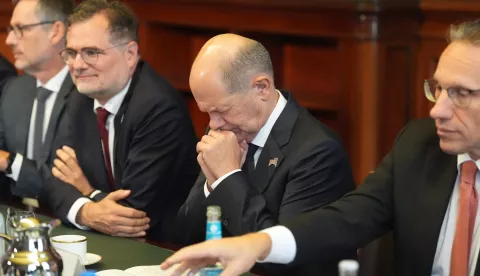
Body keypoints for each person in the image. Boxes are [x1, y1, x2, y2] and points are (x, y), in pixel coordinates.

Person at [162, 19, 480, 276]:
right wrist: (258, 243)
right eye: (438, 89)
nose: (437, 109)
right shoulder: (419, 144)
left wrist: (230, 181)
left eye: (461, 93)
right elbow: (344, 218)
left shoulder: (316, 148)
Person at [174, 33, 356, 275]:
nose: (214, 124)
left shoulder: (317, 152)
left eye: (222, 110)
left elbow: (280, 259)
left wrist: (227, 178)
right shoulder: (226, 130)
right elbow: (186, 235)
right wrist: (212, 182)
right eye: (207, 112)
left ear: (262, 88)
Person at [47, 0, 199, 242]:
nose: (77, 65)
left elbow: (132, 213)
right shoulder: (80, 98)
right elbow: (55, 180)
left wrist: (88, 192)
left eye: (91, 52)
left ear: (130, 54)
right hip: (109, 240)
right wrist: (87, 212)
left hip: (163, 248)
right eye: (72, 53)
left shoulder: (157, 107)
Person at [0, 0, 74, 204]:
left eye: (20, 29)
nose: (9, 40)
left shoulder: (87, 95)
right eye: (10, 29)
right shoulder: (14, 90)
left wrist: (10, 162)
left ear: (56, 31)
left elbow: (69, 185)